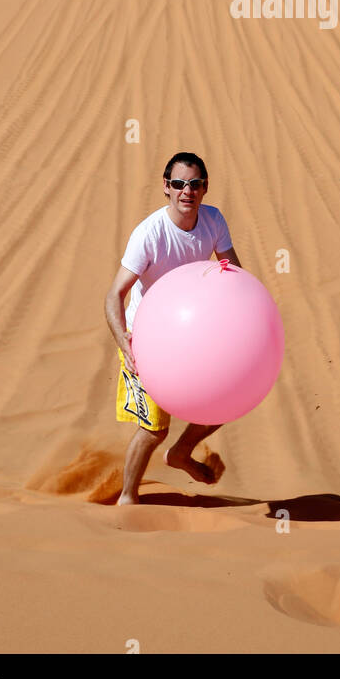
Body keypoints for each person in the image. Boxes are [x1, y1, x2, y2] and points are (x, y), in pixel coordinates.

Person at [104, 152, 242, 505]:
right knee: (153, 430)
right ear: (166, 188)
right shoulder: (149, 234)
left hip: (189, 334)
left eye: (195, 184)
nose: (187, 191)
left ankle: (181, 454)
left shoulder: (213, 221)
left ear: (205, 188)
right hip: (147, 340)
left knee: (223, 404)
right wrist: (125, 343)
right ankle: (127, 499)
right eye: (179, 184)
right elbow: (114, 295)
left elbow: (233, 272)